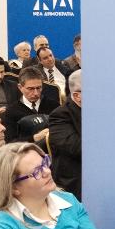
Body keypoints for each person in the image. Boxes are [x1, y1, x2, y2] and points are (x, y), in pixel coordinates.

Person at [47, 69, 83, 198]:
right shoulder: (60, 116)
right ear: (77, 96)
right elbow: (77, 148)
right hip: (75, 181)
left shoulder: (101, 111)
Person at [2, 67, 59, 142]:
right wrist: (34, 138)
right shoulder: (11, 111)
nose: (36, 93)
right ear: (20, 87)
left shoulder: (54, 106)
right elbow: (10, 142)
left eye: (38, 88)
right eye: (30, 89)